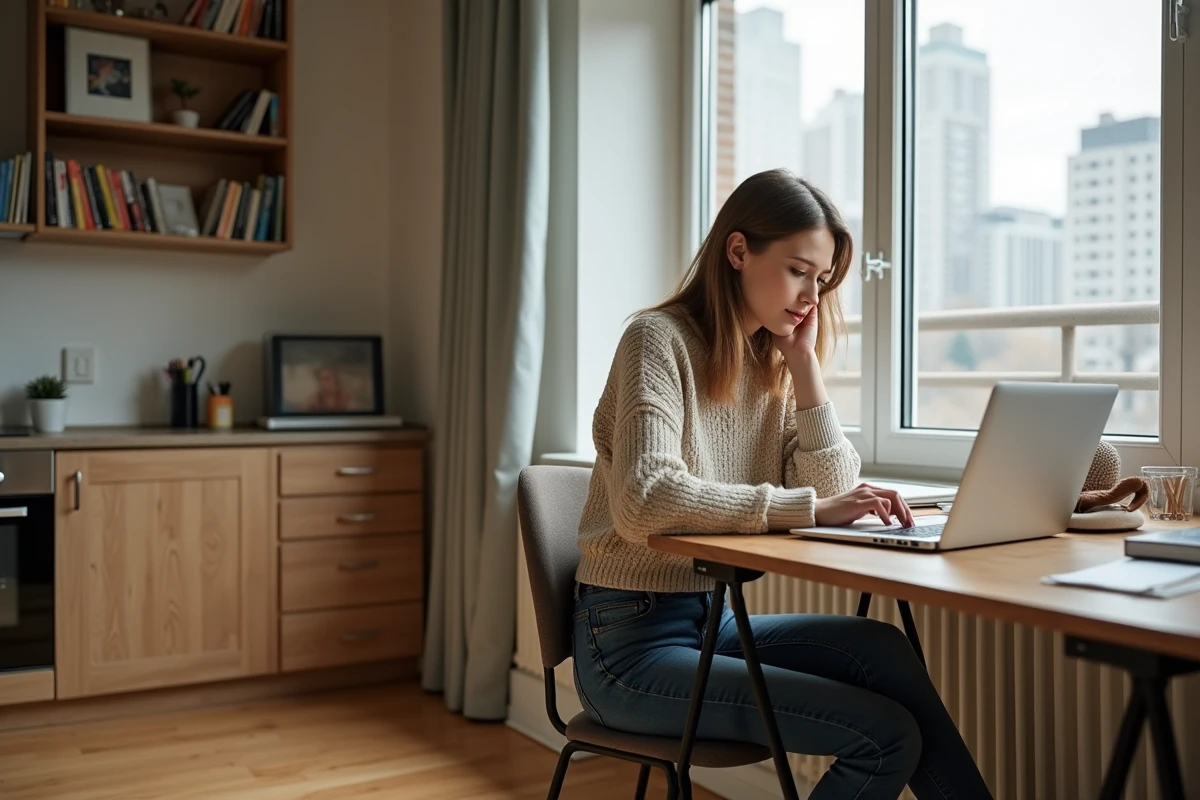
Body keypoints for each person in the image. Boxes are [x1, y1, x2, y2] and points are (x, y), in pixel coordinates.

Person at [572, 169, 992, 799]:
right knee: (885, 736)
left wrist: (803, 365)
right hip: (627, 647)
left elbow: (833, 483)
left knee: (881, 649)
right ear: (738, 251)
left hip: (710, 623)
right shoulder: (656, 341)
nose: (811, 297)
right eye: (799, 270)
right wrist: (809, 509)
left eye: (821, 281)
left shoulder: (770, 362)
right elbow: (644, 500)